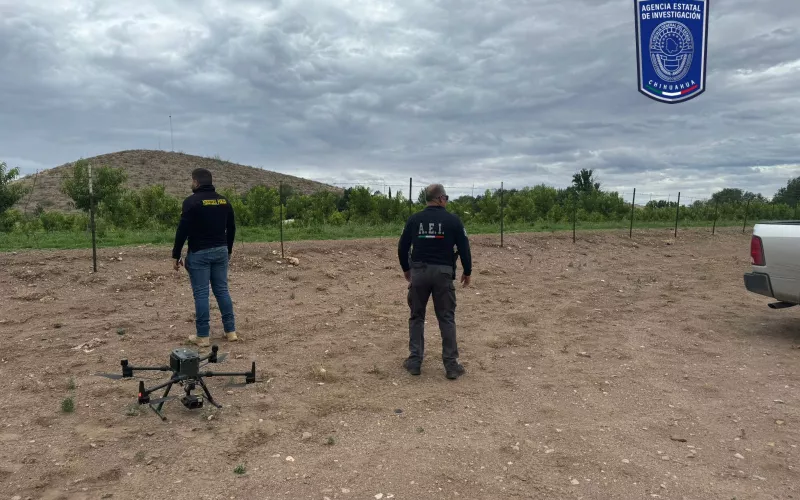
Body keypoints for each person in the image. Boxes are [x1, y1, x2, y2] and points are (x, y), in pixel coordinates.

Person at [398, 183, 472, 379]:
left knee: (417, 316)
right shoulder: (453, 220)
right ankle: (451, 365)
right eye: (445, 198)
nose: (446, 201)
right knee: (446, 318)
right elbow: (464, 247)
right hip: (444, 273)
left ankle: (415, 361)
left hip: (419, 272)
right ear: (440, 198)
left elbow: (402, 247)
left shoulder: (414, 220)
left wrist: (406, 270)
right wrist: (467, 271)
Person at [172, 168, 238, 347]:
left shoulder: (191, 202)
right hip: (221, 250)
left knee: (201, 293)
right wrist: (228, 249)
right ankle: (230, 331)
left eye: (192, 181)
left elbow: (182, 230)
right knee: (222, 290)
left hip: (199, 252)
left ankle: (203, 336)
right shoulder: (224, 201)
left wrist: (176, 254)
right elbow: (231, 227)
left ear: (196, 182)